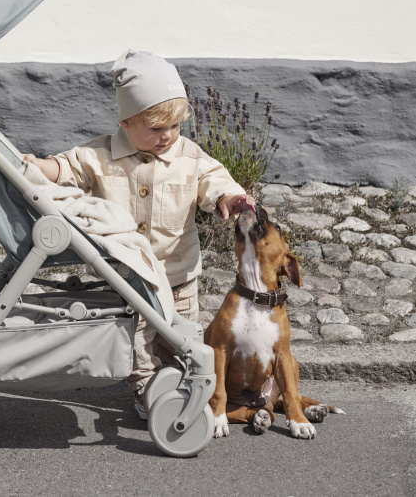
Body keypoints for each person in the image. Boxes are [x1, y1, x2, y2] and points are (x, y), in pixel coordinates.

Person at [24, 49, 253, 420]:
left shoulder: (188, 156)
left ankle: (182, 384)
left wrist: (228, 197)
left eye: (175, 127)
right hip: (129, 277)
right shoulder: (99, 155)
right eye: (156, 128)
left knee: (181, 335)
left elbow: (214, 178)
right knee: (140, 342)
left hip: (179, 274)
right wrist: (42, 167)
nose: (167, 137)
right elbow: (67, 167)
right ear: (127, 122)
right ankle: (147, 390)